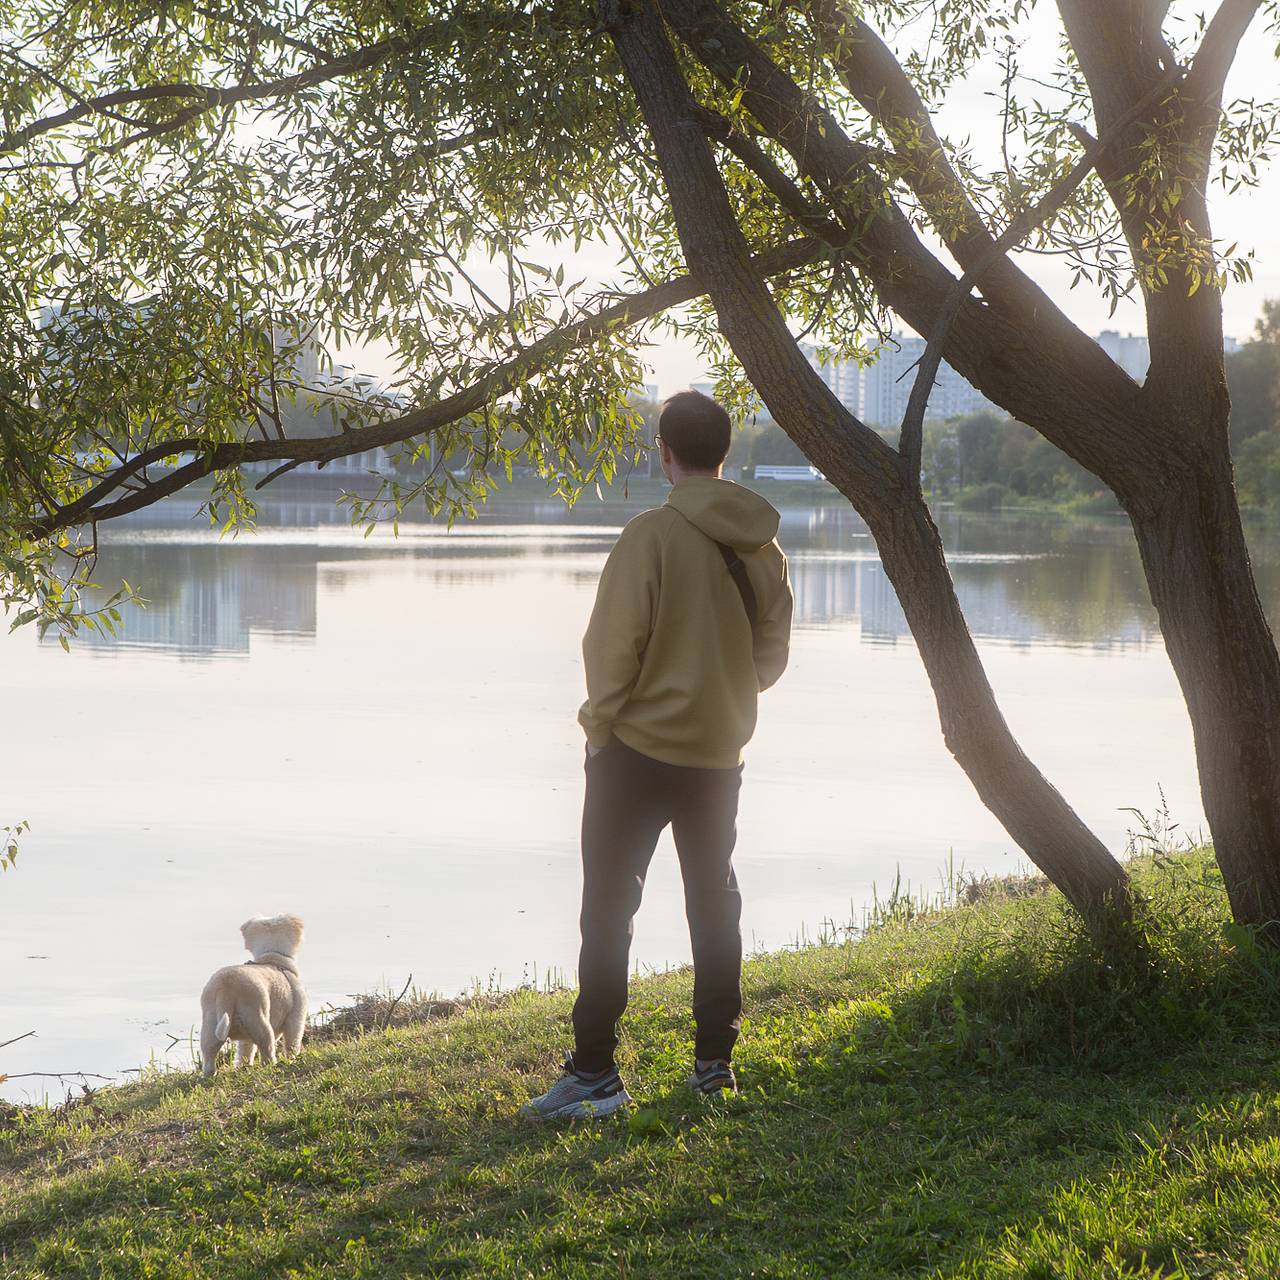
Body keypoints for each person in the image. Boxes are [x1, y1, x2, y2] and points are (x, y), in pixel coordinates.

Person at [522, 390, 794, 1120]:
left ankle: (595, 1074)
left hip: (635, 753)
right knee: (715, 903)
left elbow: (612, 649)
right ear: (725, 454)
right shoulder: (763, 547)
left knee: (609, 910)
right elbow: (770, 658)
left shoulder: (650, 534)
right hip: (717, 755)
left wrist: (598, 726)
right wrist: (721, 696)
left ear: (664, 452)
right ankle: (714, 1066)